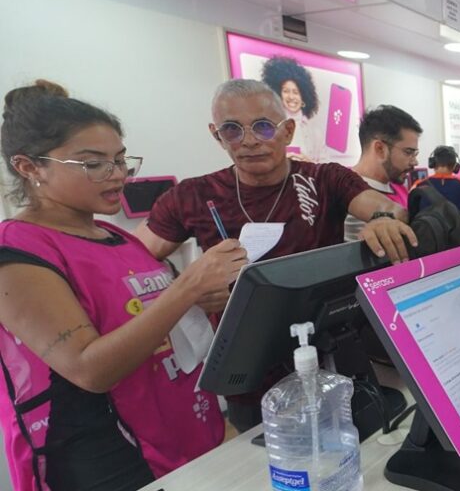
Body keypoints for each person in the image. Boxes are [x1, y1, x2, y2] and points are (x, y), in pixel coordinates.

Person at [0, 81, 248, 490]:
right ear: (29, 167)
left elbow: (153, 326)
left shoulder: (122, 239)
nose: (117, 175)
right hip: (108, 457)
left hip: (185, 433)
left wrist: (203, 301)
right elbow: (88, 368)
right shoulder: (18, 251)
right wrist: (185, 289)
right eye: (92, 163)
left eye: (120, 160)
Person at [134, 79, 415, 431]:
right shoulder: (193, 196)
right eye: (232, 130)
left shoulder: (323, 179)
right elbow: (130, 266)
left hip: (330, 356)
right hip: (247, 371)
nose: (249, 141)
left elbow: (382, 207)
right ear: (216, 135)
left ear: (287, 130)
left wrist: (383, 220)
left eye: (263, 127)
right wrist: (186, 289)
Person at [344, 105, 423, 239]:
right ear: (380, 149)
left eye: (415, 154)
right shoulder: (340, 191)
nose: (415, 162)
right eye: (408, 152)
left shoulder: (400, 189)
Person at [260, 57, 322, 162]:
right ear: (278, 94)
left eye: (296, 92)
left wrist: (310, 164)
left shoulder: (315, 132)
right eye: (286, 91)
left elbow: (326, 169)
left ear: (304, 96)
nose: (291, 97)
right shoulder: (268, 129)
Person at [413, 145, 460, 215]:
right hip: (458, 225)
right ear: (455, 166)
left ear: (432, 163)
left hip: (427, 225)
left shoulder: (418, 185)